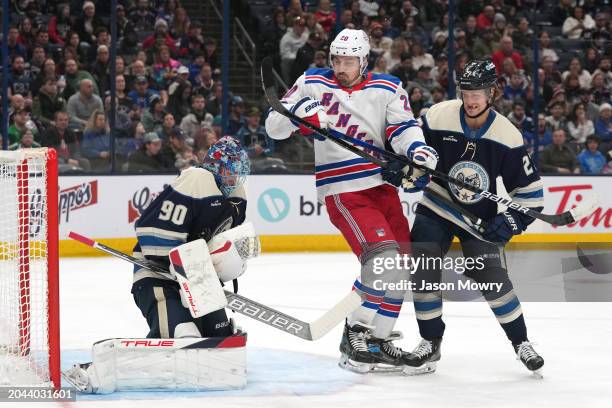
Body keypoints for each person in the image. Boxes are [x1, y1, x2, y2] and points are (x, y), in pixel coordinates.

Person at [265, 28, 438, 372]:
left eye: (349, 61)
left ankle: (377, 341)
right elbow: (273, 127)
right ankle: (354, 331)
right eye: (337, 60)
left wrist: (417, 150)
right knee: (383, 258)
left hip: (381, 185)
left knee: (403, 265)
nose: (342, 67)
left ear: (363, 61)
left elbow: (402, 128)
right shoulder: (313, 82)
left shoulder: (387, 87)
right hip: (343, 188)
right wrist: (299, 114)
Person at [63, 136, 251, 393]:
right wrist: (180, 266)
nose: (235, 179)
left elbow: (221, 245)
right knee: (184, 338)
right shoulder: (198, 180)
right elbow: (149, 229)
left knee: (221, 345)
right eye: (231, 171)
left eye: (239, 172)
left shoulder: (237, 196)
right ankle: (99, 369)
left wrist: (223, 266)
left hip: (199, 283)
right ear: (216, 168)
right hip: (158, 279)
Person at [398, 59, 545, 375]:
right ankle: (430, 342)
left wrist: (510, 221)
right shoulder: (438, 116)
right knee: (423, 266)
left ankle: (521, 342)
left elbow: (532, 196)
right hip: (437, 205)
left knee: (492, 278)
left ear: (493, 92)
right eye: (466, 91)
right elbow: (410, 149)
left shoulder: (507, 135)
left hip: (478, 217)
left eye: (479, 92)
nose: (472, 99)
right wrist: (410, 170)